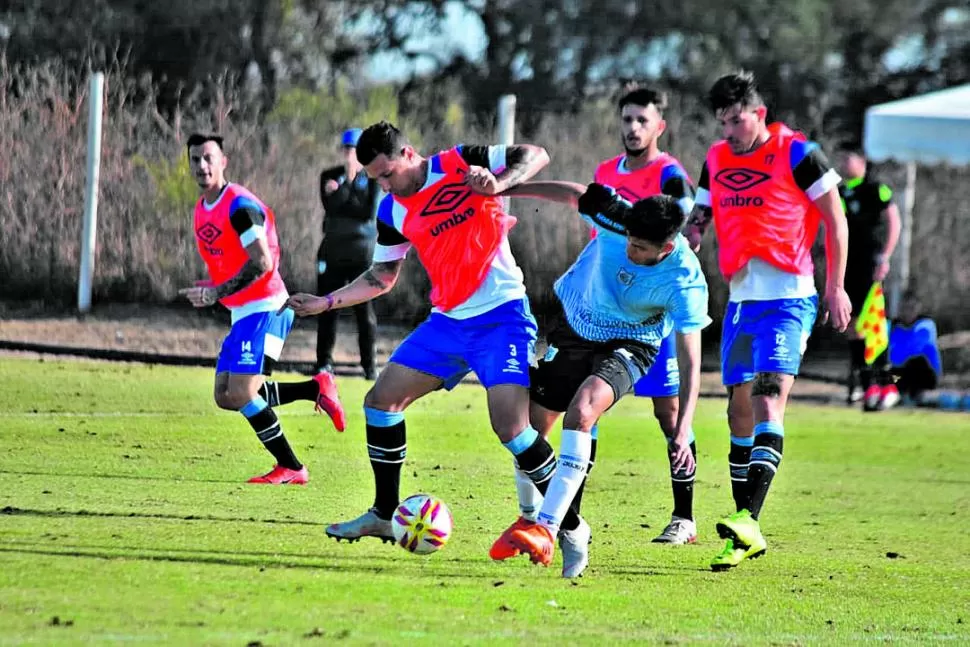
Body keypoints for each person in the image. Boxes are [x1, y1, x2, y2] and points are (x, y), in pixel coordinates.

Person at [281, 121, 553, 543]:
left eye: (387, 174)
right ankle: (384, 515)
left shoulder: (459, 162)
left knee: (512, 429)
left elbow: (535, 154)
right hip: (448, 323)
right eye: (376, 180)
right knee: (381, 401)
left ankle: (566, 522)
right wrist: (326, 302)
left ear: (409, 155)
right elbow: (382, 276)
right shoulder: (391, 211)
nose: (385, 186)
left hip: (502, 316)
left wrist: (496, 185)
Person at [489, 184, 710, 577]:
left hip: (631, 343)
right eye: (629, 241)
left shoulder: (684, 281)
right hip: (576, 327)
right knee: (529, 431)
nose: (630, 250)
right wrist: (509, 186)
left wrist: (684, 426)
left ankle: (548, 527)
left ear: (668, 247)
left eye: (641, 248)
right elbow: (574, 193)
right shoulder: (616, 216)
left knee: (583, 411)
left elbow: (692, 357)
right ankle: (549, 525)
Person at [684, 72, 851, 571]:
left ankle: (749, 520)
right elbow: (702, 209)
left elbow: (835, 218)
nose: (731, 131)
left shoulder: (798, 153)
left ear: (759, 114)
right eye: (723, 122)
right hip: (740, 303)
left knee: (767, 399)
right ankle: (743, 530)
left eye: (737, 120)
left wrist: (835, 286)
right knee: (737, 412)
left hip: (789, 298)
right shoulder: (716, 158)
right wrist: (691, 232)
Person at [178, 133, 346, 485]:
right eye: (195, 159)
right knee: (225, 395)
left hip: (266, 306)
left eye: (209, 158)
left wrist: (216, 293)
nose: (202, 166)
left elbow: (262, 262)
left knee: (241, 392)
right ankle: (314, 388)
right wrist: (214, 290)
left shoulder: (240, 207)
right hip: (244, 311)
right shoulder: (203, 207)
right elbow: (229, 261)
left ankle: (292, 466)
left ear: (224, 161)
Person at [590, 86, 700, 545]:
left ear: (660, 126)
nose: (632, 128)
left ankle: (684, 518)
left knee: (669, 415)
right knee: (585, 404)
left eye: (642, 120)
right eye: (627, 119)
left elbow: (682, 229)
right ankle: (566, 512)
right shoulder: (604, 173)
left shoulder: (671, 176)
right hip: (605, 308)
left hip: (653, 314)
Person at [835, 145, 902, 410]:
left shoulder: (876, 189)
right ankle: (866, 386)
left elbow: (894, 222)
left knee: (874, 323)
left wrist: (885, 256)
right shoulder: (840, 192)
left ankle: (889, 384)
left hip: (870, 267)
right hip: (847, 266)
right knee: (852, 326)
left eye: (847, 158)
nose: (843, 163)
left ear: (861, 161)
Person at [316, 128, 382, 379]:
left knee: (364, 312)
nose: (349, 154)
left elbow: (366, 212)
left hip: (361, 254)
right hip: (332, 252)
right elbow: (330, 206)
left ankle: (369, 365)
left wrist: (345, 189)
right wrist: (347, 188)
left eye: (353, 150)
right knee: (326, 307)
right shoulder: (329, 175)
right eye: (346, 149)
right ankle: (324, 362)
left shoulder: (372, 179)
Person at [889, 291, 942, 404]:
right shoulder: (893, 327)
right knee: (889, 373)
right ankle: (899, 393)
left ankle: (919, 394)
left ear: (918, 308)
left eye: (912, 308)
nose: (908, 312)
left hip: (925, 377)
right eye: (905, 308)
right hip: (900, 376)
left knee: (917, 361)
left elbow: (914, 349)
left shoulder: (926, 325)